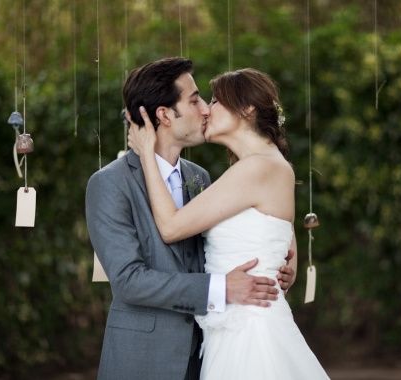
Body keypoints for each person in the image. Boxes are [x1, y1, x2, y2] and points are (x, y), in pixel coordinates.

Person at [85, 57, 296, 380]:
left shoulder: (200, 177)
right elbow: (129, 281)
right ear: (165, 114)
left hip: (208, 352)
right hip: (142, 360)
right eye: (195, 100)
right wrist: (221, 287)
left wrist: (282, 259)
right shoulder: (110, 183)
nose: (206, 110)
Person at [128, 68, 329, 379]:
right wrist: (283, 265)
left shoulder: (258, 168)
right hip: (236, 325)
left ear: (246, 110)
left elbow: (170, 228)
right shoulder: (268, 166)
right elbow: (282, 236)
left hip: (249, 335)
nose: (207, 109)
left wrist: (145, 154)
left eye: (216, 101)